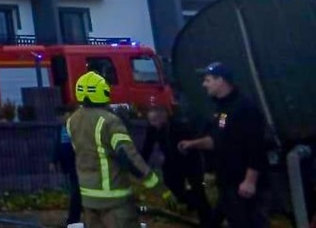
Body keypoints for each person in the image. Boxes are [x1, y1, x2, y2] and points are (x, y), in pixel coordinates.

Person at [178, 62, 271, 228]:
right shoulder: (222, 109)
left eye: (207, 80)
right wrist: (193, 144)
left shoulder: (244, 108)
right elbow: (219, 138)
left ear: (220, 80)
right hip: (227, 182)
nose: (204, 84)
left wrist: (250, 180)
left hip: (242, 183)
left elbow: (256, 145)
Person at [68, 70, 161, 228]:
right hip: (115, 200)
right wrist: (154, 184)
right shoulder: (109, 121)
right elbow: (127, 155)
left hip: (89, 199)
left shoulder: (72, 120)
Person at [140, 100, 214, 226]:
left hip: (191, 161)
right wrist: (138, 164)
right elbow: (147, 148)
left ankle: (208, 221)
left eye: (157, 117)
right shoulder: (152, 129)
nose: (154, 122)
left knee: (198, 191)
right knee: (174, 189)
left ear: (165, 114)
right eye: (151, 118)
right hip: (171, 162)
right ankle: (190, 202)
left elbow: (197, 141)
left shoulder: (179, 125)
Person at [51, 105, 83, 227]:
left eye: (61, 117)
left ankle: (73, 219)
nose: (60, 120)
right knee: (75, 192)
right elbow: (56, 145)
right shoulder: (60, 129)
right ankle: (74, 218)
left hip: (78, 164)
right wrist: (53, 161)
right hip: (68, 165)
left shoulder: (76, 127)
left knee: (76, 192)